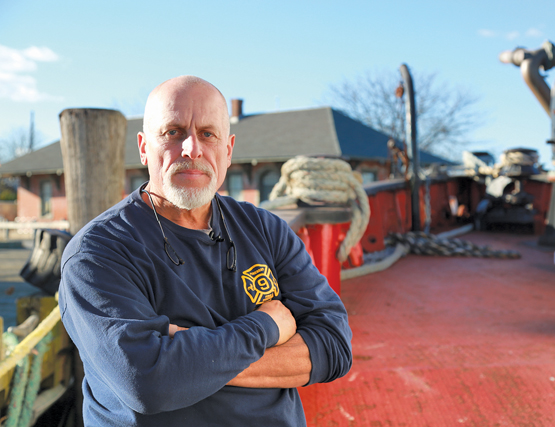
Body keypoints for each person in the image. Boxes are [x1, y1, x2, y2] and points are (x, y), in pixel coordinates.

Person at [58, 75, 353, 426]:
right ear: (143, 146)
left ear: (228, 150)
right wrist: (268, 326)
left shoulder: (266, 229)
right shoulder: (97, 254)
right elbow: (148, 382)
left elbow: (333, 347)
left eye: (208, 134)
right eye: (173, 132)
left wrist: (187, 359)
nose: (191, 149)